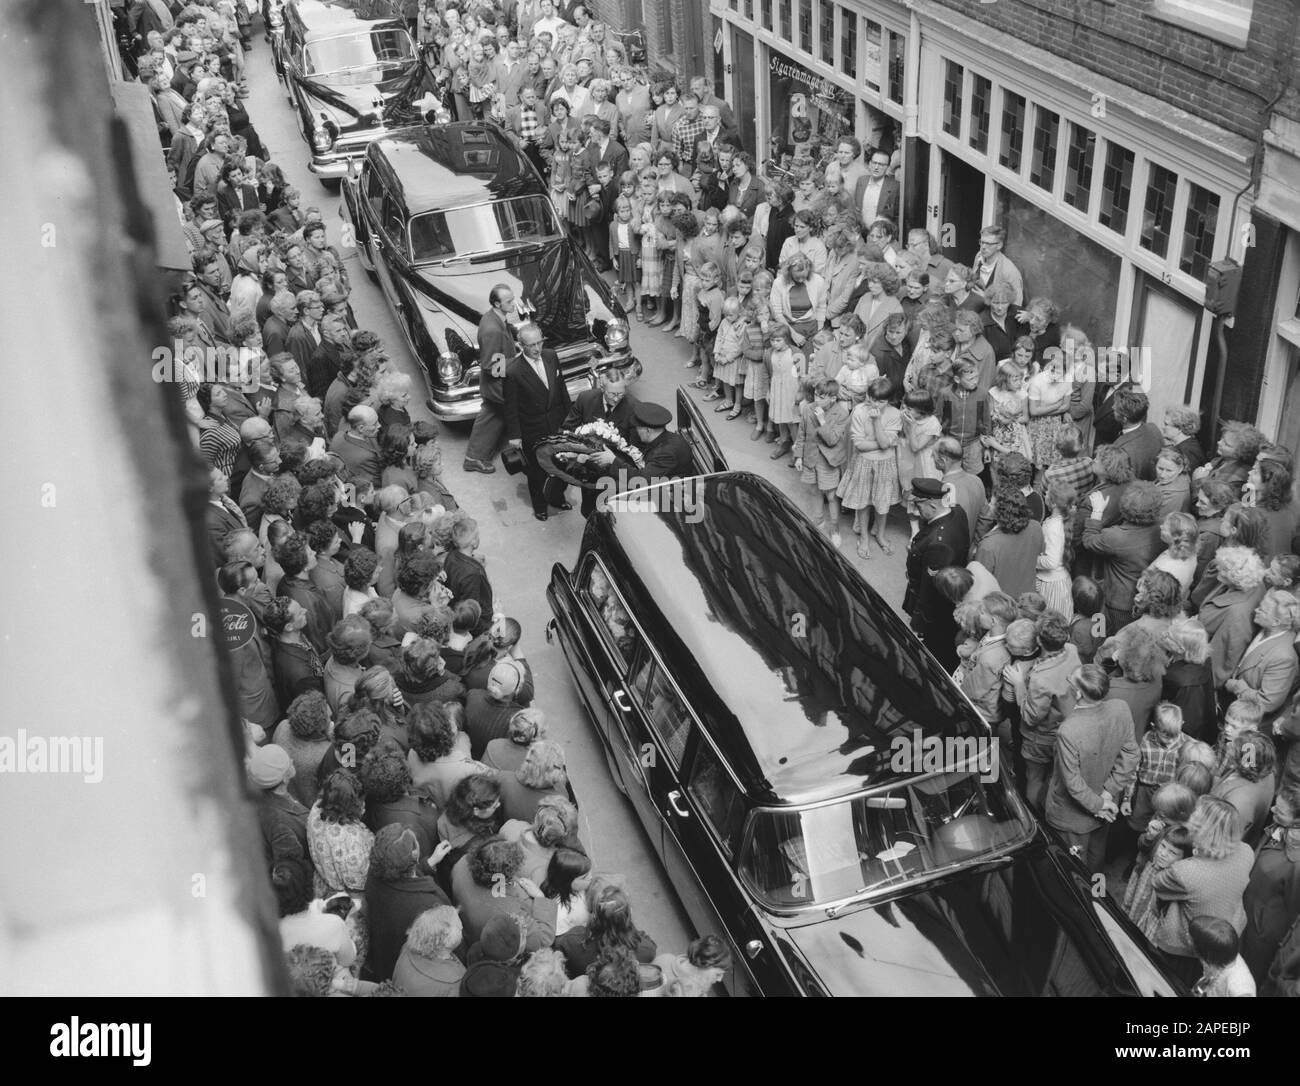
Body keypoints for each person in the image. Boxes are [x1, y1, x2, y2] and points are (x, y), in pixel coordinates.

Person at [1043, 663, 1139, 874]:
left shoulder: (1069, 730)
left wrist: (1098, 803)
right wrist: (1108, 793)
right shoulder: (1120, 707)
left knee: (1072, 866)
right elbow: (1132, 755)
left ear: (1078, 693)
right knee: (1096, 858)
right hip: (1105, 808)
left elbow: (1073, 783)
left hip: (1072, 816)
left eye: (1070, 681)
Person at [1152, 795, 1255, 982]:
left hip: (1184, 948)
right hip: (1223, 941)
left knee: (1166, 983)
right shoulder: (1247, 852)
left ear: (1203, 831)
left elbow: (1157, 882)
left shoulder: (1184, 872)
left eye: (1195, 819)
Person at [362, 825, 453, 984]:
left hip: (384, 958)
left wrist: (429, 863)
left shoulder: (374, 874)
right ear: (415, 854)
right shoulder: (430, 904)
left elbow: (403, 879)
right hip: (410, 972)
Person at [505, 322, 572, 521]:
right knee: (537, 473)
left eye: (539, 343)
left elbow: (562, 390)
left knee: (562, 465)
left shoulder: (551, 356)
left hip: (557, 424)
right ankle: (540, 506)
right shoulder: (513, 371)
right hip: (533, 430)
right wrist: (515, 435)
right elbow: (510, 407)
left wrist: (570, 420)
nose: (537, 349)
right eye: (531, 345)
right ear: (520, 346)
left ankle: (557, 497)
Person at [1082, 481, 1164, 633]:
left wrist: (1097, 512)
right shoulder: (1164, 528)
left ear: (1125, 506)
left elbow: (1089, 541)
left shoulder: (1116, 537)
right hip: (1148, 597)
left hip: (1120, 603)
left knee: (1113, 636)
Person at [904, 478, 971, 653]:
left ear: (933, 507)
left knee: (931, 643)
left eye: (919, 507)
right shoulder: (957, 512)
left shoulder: (938, 544)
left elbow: (929, 588)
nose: (917, 512)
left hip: (937, 609)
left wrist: (919, 621)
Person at [1241, 786, 1300, 983]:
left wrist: (1262, 920)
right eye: (1276, 805)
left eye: (1280, 811)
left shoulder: (1297, 863)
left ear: (1297, 822)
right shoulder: (1278, 828)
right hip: (1246, 915)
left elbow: (1294, 911)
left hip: (1261, 936)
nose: (1272, 810)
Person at [464, 284, 518, 474]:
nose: (514, 303)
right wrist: (516, 363)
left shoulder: (493, 318)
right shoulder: (492, 329)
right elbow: (491, 366)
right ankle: (473, 459)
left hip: (496, 385)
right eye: (509, 301)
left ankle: (475, 455)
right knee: (491, 416)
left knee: (493, 416)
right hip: (498, 386)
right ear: (497, 303)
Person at [1190, 916, 1256, 997]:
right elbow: (1206, 981)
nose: (1188, 939)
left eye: (1192, 940)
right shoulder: (1222, 956)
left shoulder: (1239, 987)